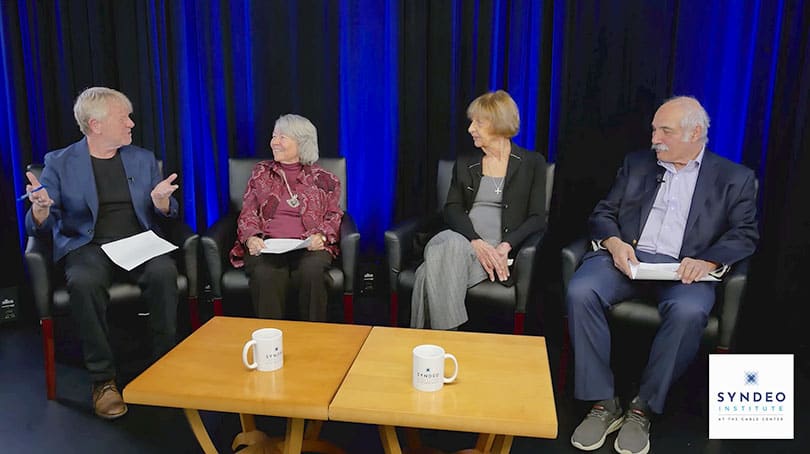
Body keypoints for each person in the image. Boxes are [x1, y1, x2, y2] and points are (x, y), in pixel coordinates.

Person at [567, 96, 759, 454]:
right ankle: (602, 402)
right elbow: (603, 212)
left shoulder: (735, 178)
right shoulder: (637, 164)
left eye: (665, 131)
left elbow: (744, 234)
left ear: (696, 133)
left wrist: (709, 261)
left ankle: (643, 408)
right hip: (628, 259)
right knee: (582, 290)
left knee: (689, 312)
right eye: (655, 129)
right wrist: (613, 242)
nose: (655, 137)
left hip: (684, 269)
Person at [24, 87, 181, 420]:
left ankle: (166, 366)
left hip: (138, 242)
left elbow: (168, 212)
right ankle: (103, 380)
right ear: (95, 125)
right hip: (88, 245)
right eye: (123, 117)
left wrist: (162, 202)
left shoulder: (142, 157)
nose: (131, 123)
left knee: (164, 272)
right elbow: (38, 224)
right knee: (82, 281)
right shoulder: (59, 162)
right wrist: (40, 209)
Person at [411, 90, 547, 330]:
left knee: (426, 275)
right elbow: (452, 208)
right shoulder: (465, 163)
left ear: (499, 123)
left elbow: (537, 218)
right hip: (457, 239)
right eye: (471, 122)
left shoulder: (532, 163)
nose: (470, 128)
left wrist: (506, 245)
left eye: (478, 122)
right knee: (452, 245)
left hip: (493, 253)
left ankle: (426, 346)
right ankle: (449, 339)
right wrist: (475, 241)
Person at [229, 114, 343, 321]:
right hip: (267, 246)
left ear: (302, 142)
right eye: (274, 136)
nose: (274, 142)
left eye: (282, 137)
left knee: (312, 272)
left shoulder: (325, 179)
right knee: (266, 274)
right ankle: (271, 342)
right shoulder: (261, 173)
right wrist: (251, 238)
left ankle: (312, 340)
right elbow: (248, 211)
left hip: (309, 247)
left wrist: (323, 237)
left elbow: (334, 214)